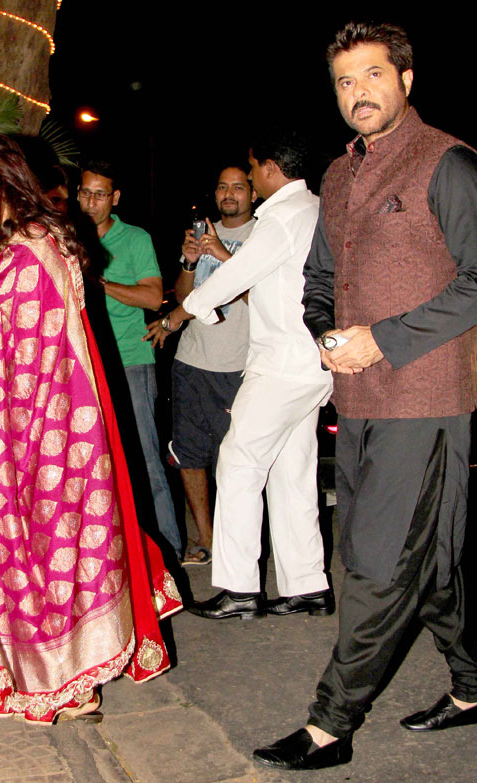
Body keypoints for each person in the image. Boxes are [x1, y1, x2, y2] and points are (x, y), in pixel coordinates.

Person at [252, 22, 477, 771]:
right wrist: (326, 332)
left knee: (375, 562)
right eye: (344, 81)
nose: (357, 92)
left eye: (372, 75)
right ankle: (475, 684)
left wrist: (383, 339)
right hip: (357, 397)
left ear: (405, 80)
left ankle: (330, 724)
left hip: (425, 398)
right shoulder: (337, 174)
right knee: (426, 560)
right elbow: (320, 280)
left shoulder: (448, 162)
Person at [0, 134, 181, 723]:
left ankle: (64, 680)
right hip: (46, 427)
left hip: (39, 434)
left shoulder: (27, 252)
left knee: (46, 551)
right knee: (54, 549)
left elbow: (12, 342)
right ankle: (65, 679)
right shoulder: (32, 243)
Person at [150, 130, 334, 619]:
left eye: (252, 170)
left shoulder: (281, 217)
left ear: (271, 168)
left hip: (280, 365)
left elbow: (234, 275)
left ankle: (240, 590)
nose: (251, 179)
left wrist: (184, 311)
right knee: (292, 474)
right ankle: (307, 585)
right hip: (311, 363)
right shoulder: (314, 209)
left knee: (237, 464)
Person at [145, 165, 255, 565]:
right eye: (223, 186)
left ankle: (238, 541)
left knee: (238, 459)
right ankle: (207, 541)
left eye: (238, 187)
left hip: (241, 364)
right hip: (192, 360)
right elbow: (183, 295)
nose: (229, 194)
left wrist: (226, 258)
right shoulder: (203, 234)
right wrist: (191, 261)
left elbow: (263, 297)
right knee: (189, 455)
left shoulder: (262, 235)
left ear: (253, 194)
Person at [78, 162, 181, 559]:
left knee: (145, 457)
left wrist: (101, 283)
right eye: (85, 193)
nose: (90, 202)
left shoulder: (135, 238)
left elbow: (153, 297)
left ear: (115, 198)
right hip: (85, 364)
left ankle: (168, 553)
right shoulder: (67, 238)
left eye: (100, 194)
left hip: (130, 361)